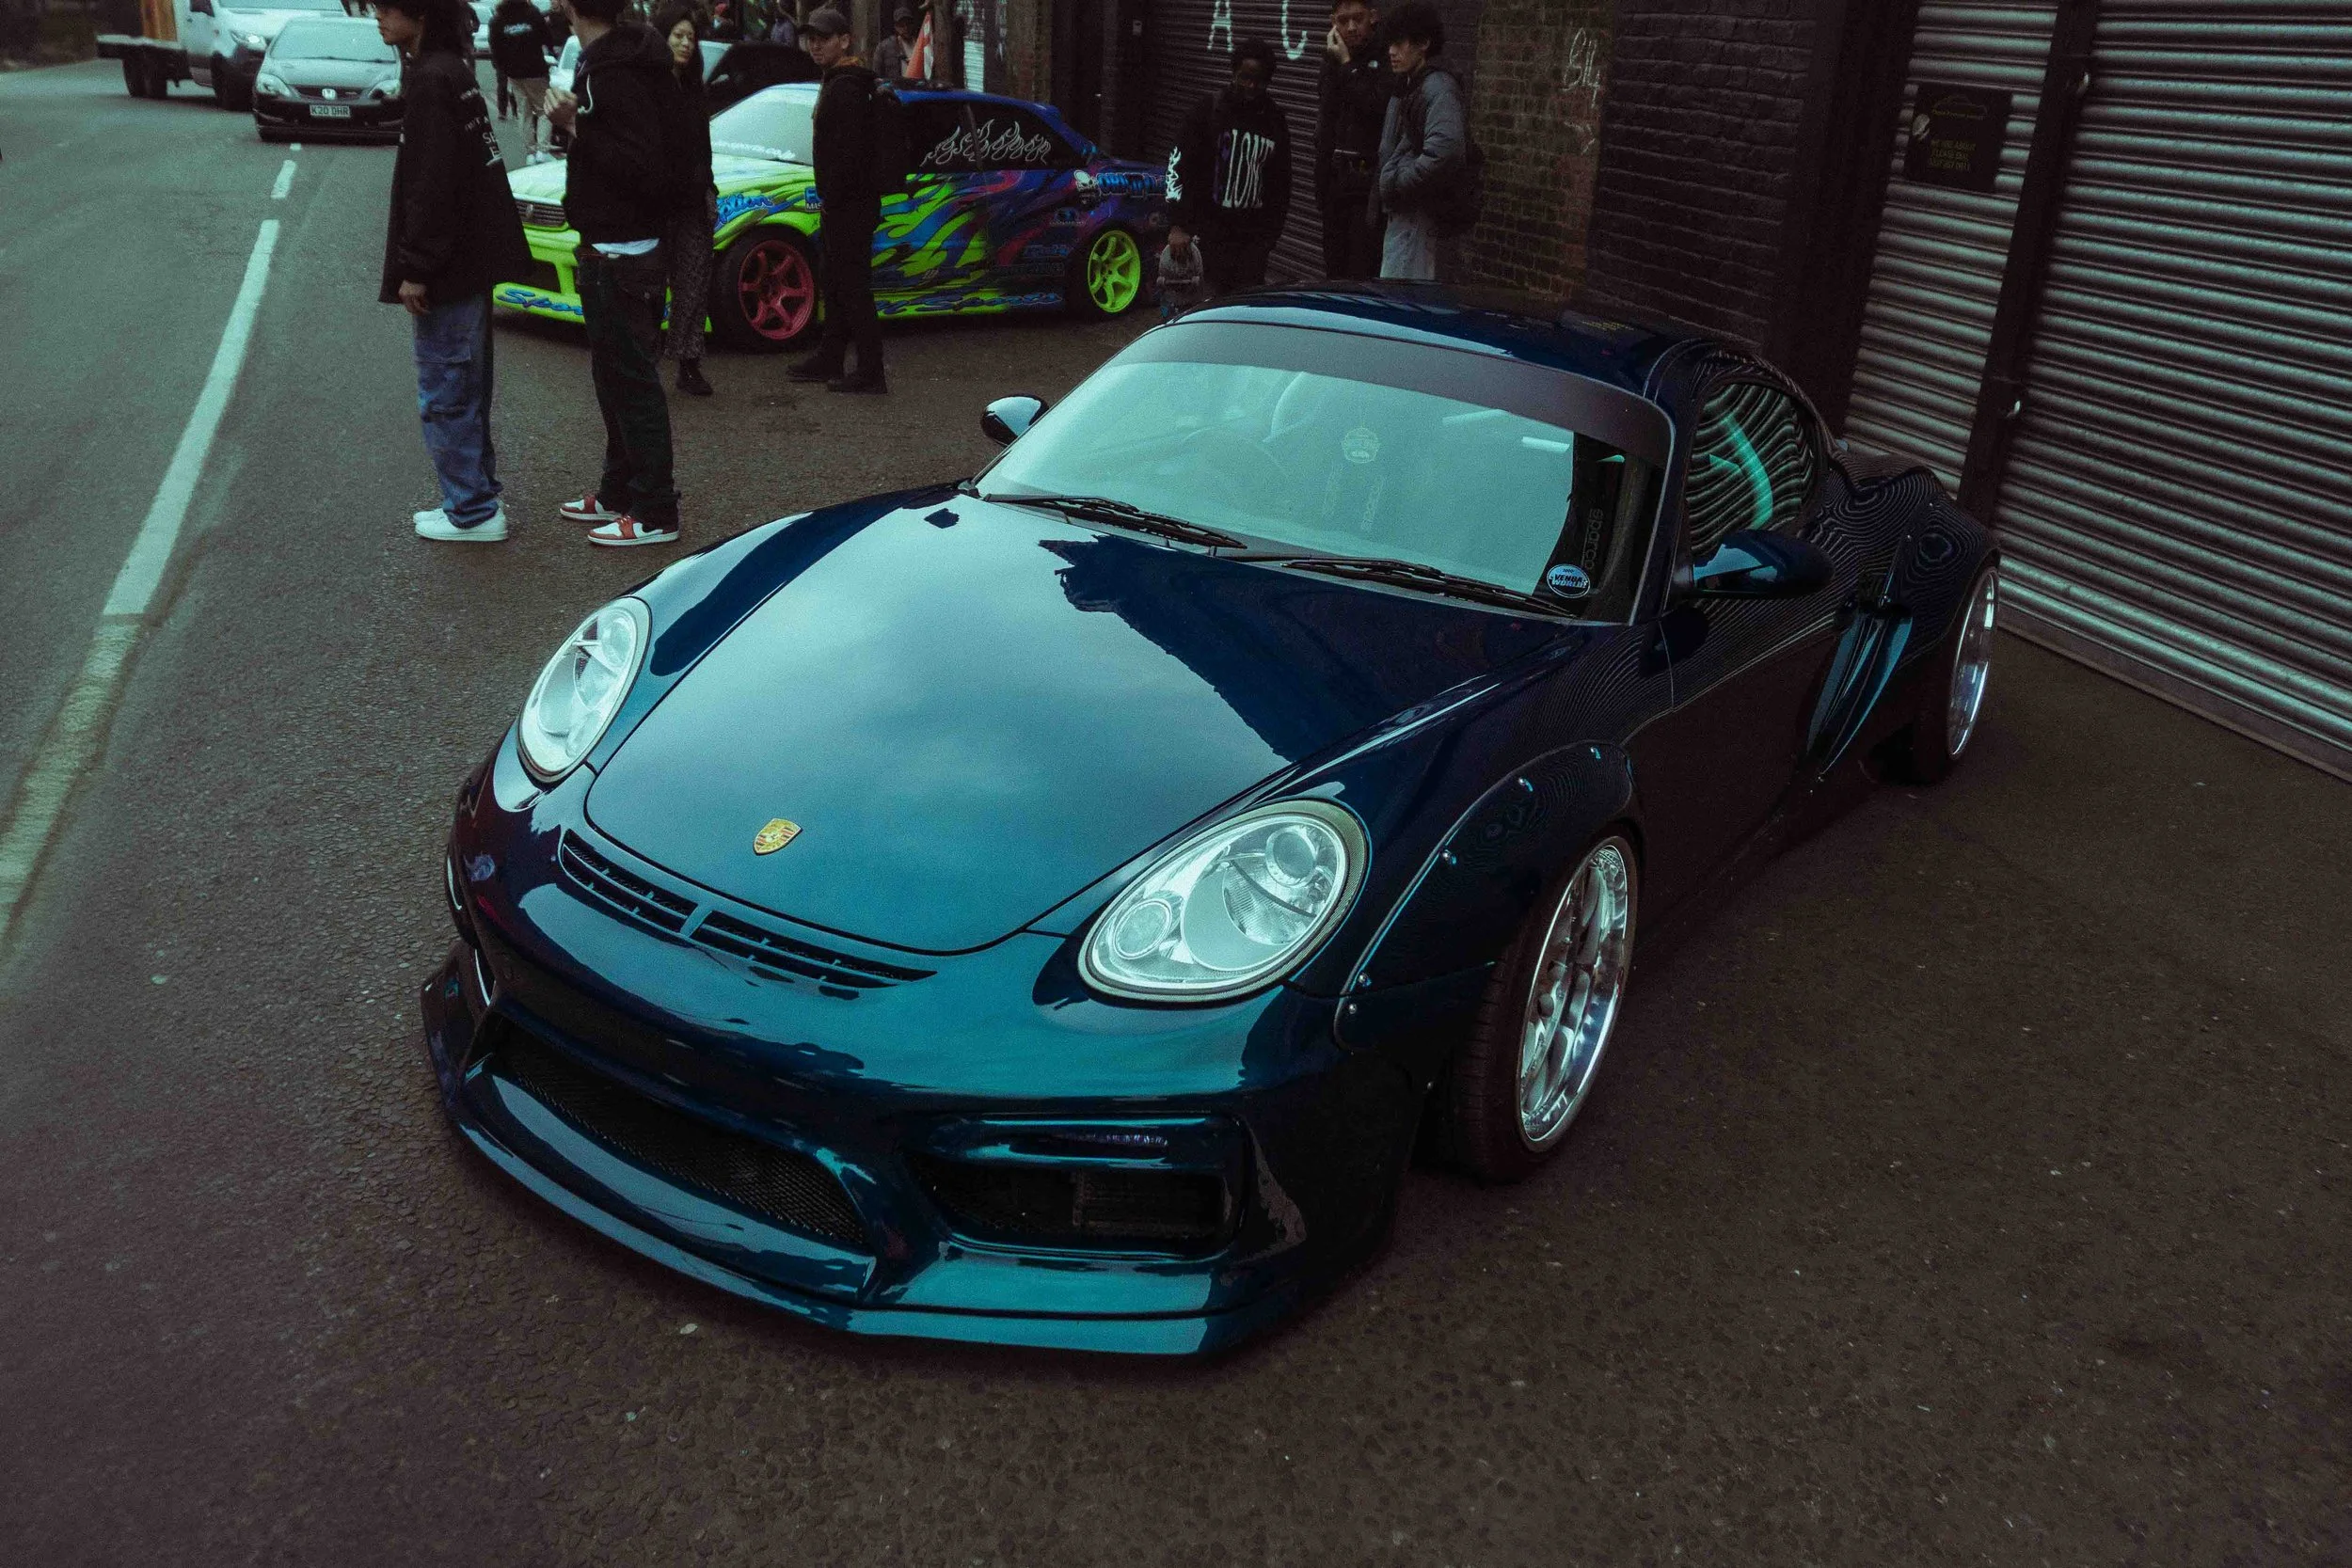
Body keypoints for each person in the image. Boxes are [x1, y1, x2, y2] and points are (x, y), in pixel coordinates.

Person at [376, 0, 532, 544]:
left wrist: (415, 267)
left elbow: (431, 182)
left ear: (418, 17)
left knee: (446, 386)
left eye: (387, 9)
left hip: (447, 266)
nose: (378, 18)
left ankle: (472, 510)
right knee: (466, 382)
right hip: (470, 260)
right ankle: (476, 495)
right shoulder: (454, 71)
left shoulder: (431, 80)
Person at [546, 0, 690, 546]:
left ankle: (655, 512)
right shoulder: (607, 60)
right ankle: (618, 492)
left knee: (632, 384)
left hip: (624, 252)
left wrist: (574, 125)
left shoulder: (617, 71)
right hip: (610, 246)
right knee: (612, 379)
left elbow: (642, 169)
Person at [787, 7, 888, 393]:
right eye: (810, 38)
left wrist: (833, 197)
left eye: (823, 38)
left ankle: (871, 371)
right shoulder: (838, 80)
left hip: (850, 206)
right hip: (844, 203)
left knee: (853, 286)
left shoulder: (846, 87)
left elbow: (848, 155)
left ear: (844, 40)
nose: (814, 45)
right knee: (837, 282)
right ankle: (830, 357)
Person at [1166, 38, 1293, 294]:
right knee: (1207, 313)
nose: (1251, 86)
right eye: (1245, 78)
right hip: (1208, 238)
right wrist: (1178, 224)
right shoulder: (1208, 111)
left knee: (1242, 314)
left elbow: (1281, 183)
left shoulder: (1274, 121)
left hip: (1251, 245)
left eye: (1260, 81)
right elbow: (1176, 165)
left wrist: (1269, 237)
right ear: (1234, 73)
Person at [1375, 1, 1466, 282]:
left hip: (1415, 214)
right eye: (1390, 43)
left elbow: (1446, 151)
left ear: (1423, 43)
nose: (1391, 51)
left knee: (1402, 297)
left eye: (1400, 44)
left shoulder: (1436, 87)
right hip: (1404, 212)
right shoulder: (1409, 83)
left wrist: (1398, 182)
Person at [654, 1, 716, 397]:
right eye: (678, 35)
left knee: (693, 286)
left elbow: (702, 147)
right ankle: (643, 366)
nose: (686, 43)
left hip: (694, 202)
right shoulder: (648, 87)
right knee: (650, 288)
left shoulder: (695, 88)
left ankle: (688, 364)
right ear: (662, 37)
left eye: (691, 37)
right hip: (657, 205)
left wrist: (708, 188)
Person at [1314, 0, 1387, 279]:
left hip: (1367, 188)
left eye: (1358, 19)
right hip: (1335, 185)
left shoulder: (1385, 58)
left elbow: (1374, 106)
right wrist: (1321, 183)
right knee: (1334, 272)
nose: (1351, 27)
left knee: (1360, 275)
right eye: (1343, 21)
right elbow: (1326, 119)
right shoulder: (1330, 60)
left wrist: (1347, 65)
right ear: (1334, 22)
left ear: (1373, 17)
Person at [488, 0, 554, 154]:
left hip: (514, 73)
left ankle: (530, 151)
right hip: (536, 70)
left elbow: (495, 48)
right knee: (544, 110)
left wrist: (503, 68)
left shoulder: (498, 19)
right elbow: (546, 36)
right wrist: (550, 52)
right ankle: (543, 150)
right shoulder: (532, 13)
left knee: (523, 112)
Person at [1155, 230, 1208, 322]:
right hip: (1173, 297)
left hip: (1193, 296)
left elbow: (1200, 279)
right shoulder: (1166, 257)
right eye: (1176, 250)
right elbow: (1163, 281)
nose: (1179, 252)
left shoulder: (1194, 253)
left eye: (1182, 249)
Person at [874, 6, 916, 79]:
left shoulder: (920, 45)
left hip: (917, 88)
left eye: (908, 24)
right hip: (895, 88)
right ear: (896, 27)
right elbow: (877, 74)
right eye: (901, 25)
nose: (906, 28)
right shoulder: (884, 47)